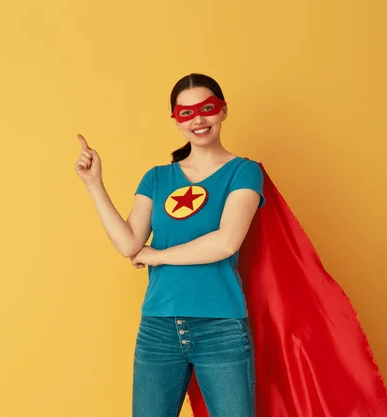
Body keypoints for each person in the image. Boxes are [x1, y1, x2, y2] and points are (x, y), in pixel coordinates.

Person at [74, 73, 264, 417]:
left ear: (223, 111)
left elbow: (225, 242)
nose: (199, 120)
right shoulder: (157, 177)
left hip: (221, 326)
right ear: (176, 120)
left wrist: (157, 256)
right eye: (186, 113)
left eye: (207, 108)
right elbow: (129, 242)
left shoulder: (244, 172)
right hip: (159, 327)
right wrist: (94, 184)